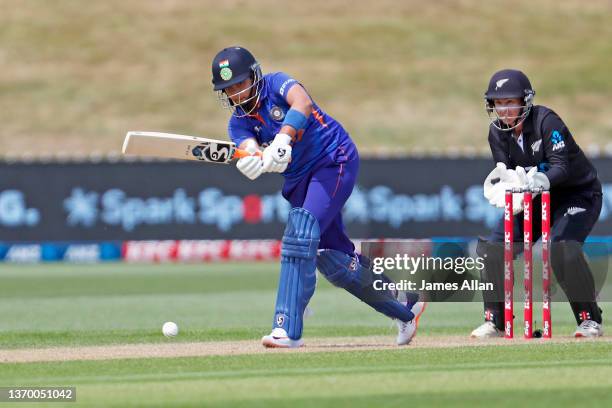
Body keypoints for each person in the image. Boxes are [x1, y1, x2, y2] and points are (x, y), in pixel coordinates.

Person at [211, 46, 425, 348]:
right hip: (300, 180)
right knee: (334, 261)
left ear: (254, 75)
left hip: (332, 159)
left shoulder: (276, 84)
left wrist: (283, 138)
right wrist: (254, 159)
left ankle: (287, 328)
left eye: (240, 83)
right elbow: (249, 147)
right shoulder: (238, 123)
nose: (236, 93)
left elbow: (302, 102)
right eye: (229, 89)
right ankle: (405, 306)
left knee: (300, 234)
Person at [473, 69, 604, 338]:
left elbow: (562, 168)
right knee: (493, 248)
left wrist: (540, 179)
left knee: (561, 248)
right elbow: (506, 173)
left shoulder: (547, 121)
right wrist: (510, 189)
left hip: (577, 195)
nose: (505, 109)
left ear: (525, 100)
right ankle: (496, 321)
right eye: (499, 103)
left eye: (510, 102)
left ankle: (589, 319)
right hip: (533, 199)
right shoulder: (497, 133)